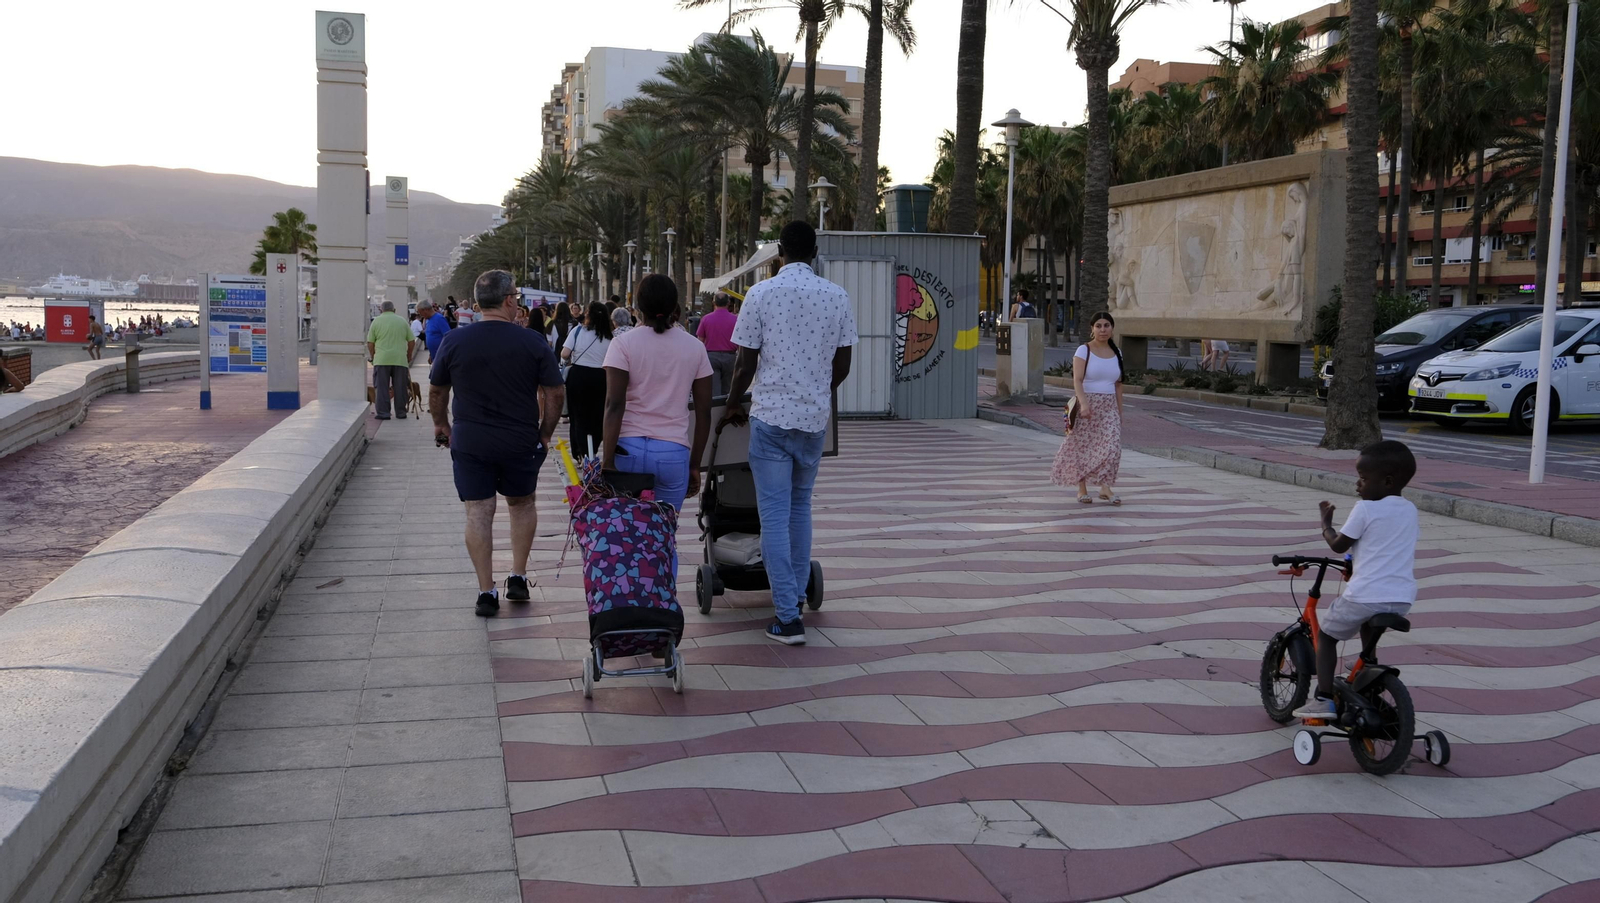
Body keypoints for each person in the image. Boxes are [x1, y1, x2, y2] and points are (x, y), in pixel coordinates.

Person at [722, 221, 857, 646]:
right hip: (813, 422)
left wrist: (730, 403)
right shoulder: (837, 296)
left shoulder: (760, 295)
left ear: (780, 251)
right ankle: (795, 598)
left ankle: (786, 616)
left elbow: (744, 363)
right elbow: (843, 364)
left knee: (774, 517)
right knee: (801, 509)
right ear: (815, 252)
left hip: (771, 421)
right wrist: (816, 392)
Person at [429, 270, 565, 618]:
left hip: (471, 440)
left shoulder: (456, 341)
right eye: (517, 298)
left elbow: (437, 389)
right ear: (508, 301)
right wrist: (546, 431)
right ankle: (518, 575)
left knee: (478, 512)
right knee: (521, 505)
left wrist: (441, 423)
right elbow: (555, 391)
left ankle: (486, 592)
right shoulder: (533, 341)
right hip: (520, 439)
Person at [1292, 441, 1419, 720]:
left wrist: (1326, 525)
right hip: (1401, 597)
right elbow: (1382, 547)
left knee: (1326, 636)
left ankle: (1324, 699)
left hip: (1365, 594)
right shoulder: (1409, 510)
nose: (1357, 485)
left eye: (1362, 478)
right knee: (1368, 624)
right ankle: (1367, 668)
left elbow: (1338, 545)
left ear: (1387, 481)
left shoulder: (1364, 510)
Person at [600, 274, 713, 576]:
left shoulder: (622, 344)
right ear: (676, 308)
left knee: (628, 536)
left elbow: (614, 404)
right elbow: (703, 413)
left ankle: (630, 606)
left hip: (629, 451)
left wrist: (607, 460)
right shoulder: (694, 348)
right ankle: (664, 605)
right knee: (664, 538)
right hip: (673, 453)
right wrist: (695, 465)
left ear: (638, 309)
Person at [1051, 311, 1125, 506]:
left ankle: (1105, 487)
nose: (1103, 329)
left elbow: (1118, 385)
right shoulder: (1084, 350)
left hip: (1109, 407)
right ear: (1092, 329)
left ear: (1112, 328)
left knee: (1112, 448)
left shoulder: (1118, 353)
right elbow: (1077, 379)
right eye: (1098, 326)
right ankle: (1082, 488)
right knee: (1082, 447)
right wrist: (1084, 403)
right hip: (1087, 404)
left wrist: (1119, 411)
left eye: (1106, 325)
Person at [562, 300, 615, 457]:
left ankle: (581, 453)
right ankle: (593, 450)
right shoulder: (610, 336)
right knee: (598, 416)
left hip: (578, 375)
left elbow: (565, 353)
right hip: (602, 377)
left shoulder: (578, 331)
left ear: (588, 315)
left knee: (578, 416)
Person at [366, 300, 415, 420]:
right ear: (394, 310)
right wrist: (408, 355)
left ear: (381, 310)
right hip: (400, 359)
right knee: (400, 387)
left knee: (382, 388)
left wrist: (373, 356)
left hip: (382, 360)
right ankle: (401, 412)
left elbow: (370, 343)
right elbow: (411, 341)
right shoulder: (402, 321)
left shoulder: (376, 321)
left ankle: (384, 413)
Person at [696, 292, 739, 397]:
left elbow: (700, 341)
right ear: (728, 303)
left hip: (711, 357)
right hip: (730, 357)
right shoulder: (736, 320)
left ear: (713, 302)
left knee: (714, 391)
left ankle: (715, 411)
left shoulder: (706, 319)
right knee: (728, 390)